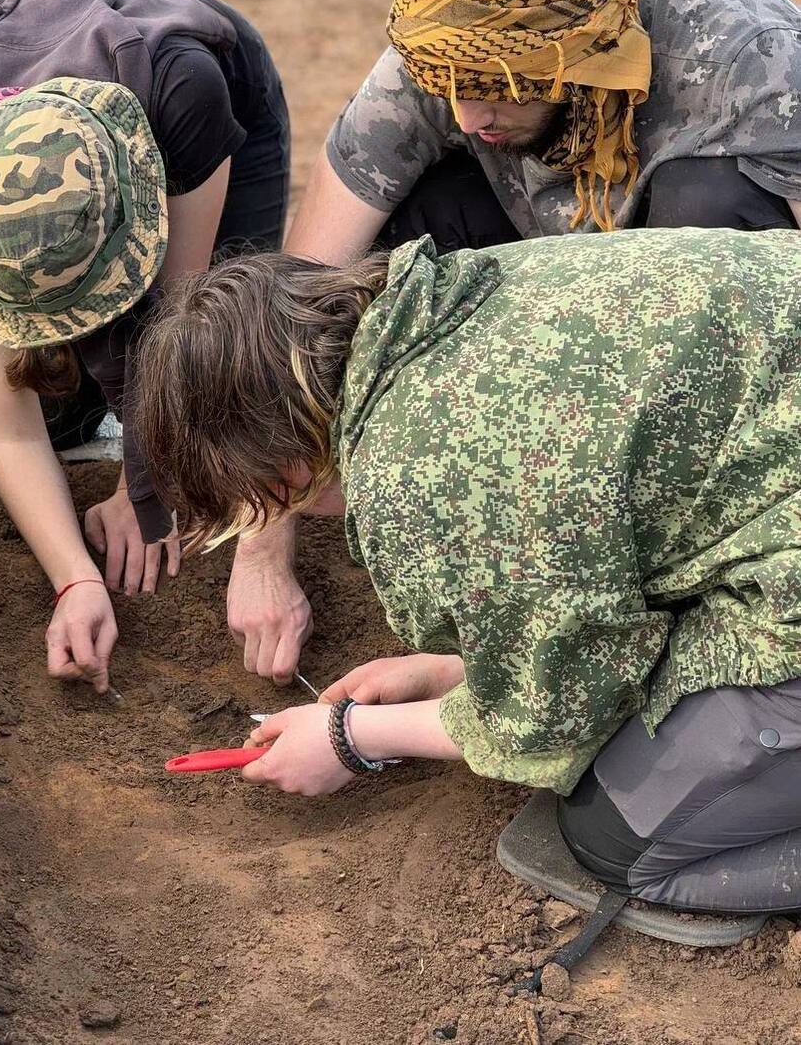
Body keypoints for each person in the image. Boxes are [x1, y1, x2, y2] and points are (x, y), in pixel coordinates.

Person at [228, 0, 801, 686]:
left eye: (497, 87)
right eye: (447, 86)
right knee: (398, 228)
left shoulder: (744, 53)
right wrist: (263, 549)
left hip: (696, 318)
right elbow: (295, 304)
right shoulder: (443, 65)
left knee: (713, 194)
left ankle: (678, 534)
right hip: (542, 284)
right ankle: (486, 485)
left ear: (575, 44)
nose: (467, 113)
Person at [135, 226, 801, 916]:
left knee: (618, 839)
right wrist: (449, 670)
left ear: (282, 462)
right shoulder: (442, 297)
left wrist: (349, 738)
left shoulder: (421, 472)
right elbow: (600, 544)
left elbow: (559, 717)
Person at [0, 0, 289, 693]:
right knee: (58, 404)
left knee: (223, 352)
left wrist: (142, 491)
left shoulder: (185, 94)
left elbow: (178, 327)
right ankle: (99, 405)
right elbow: (7, 431)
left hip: (200, 111)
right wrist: (74, 581)